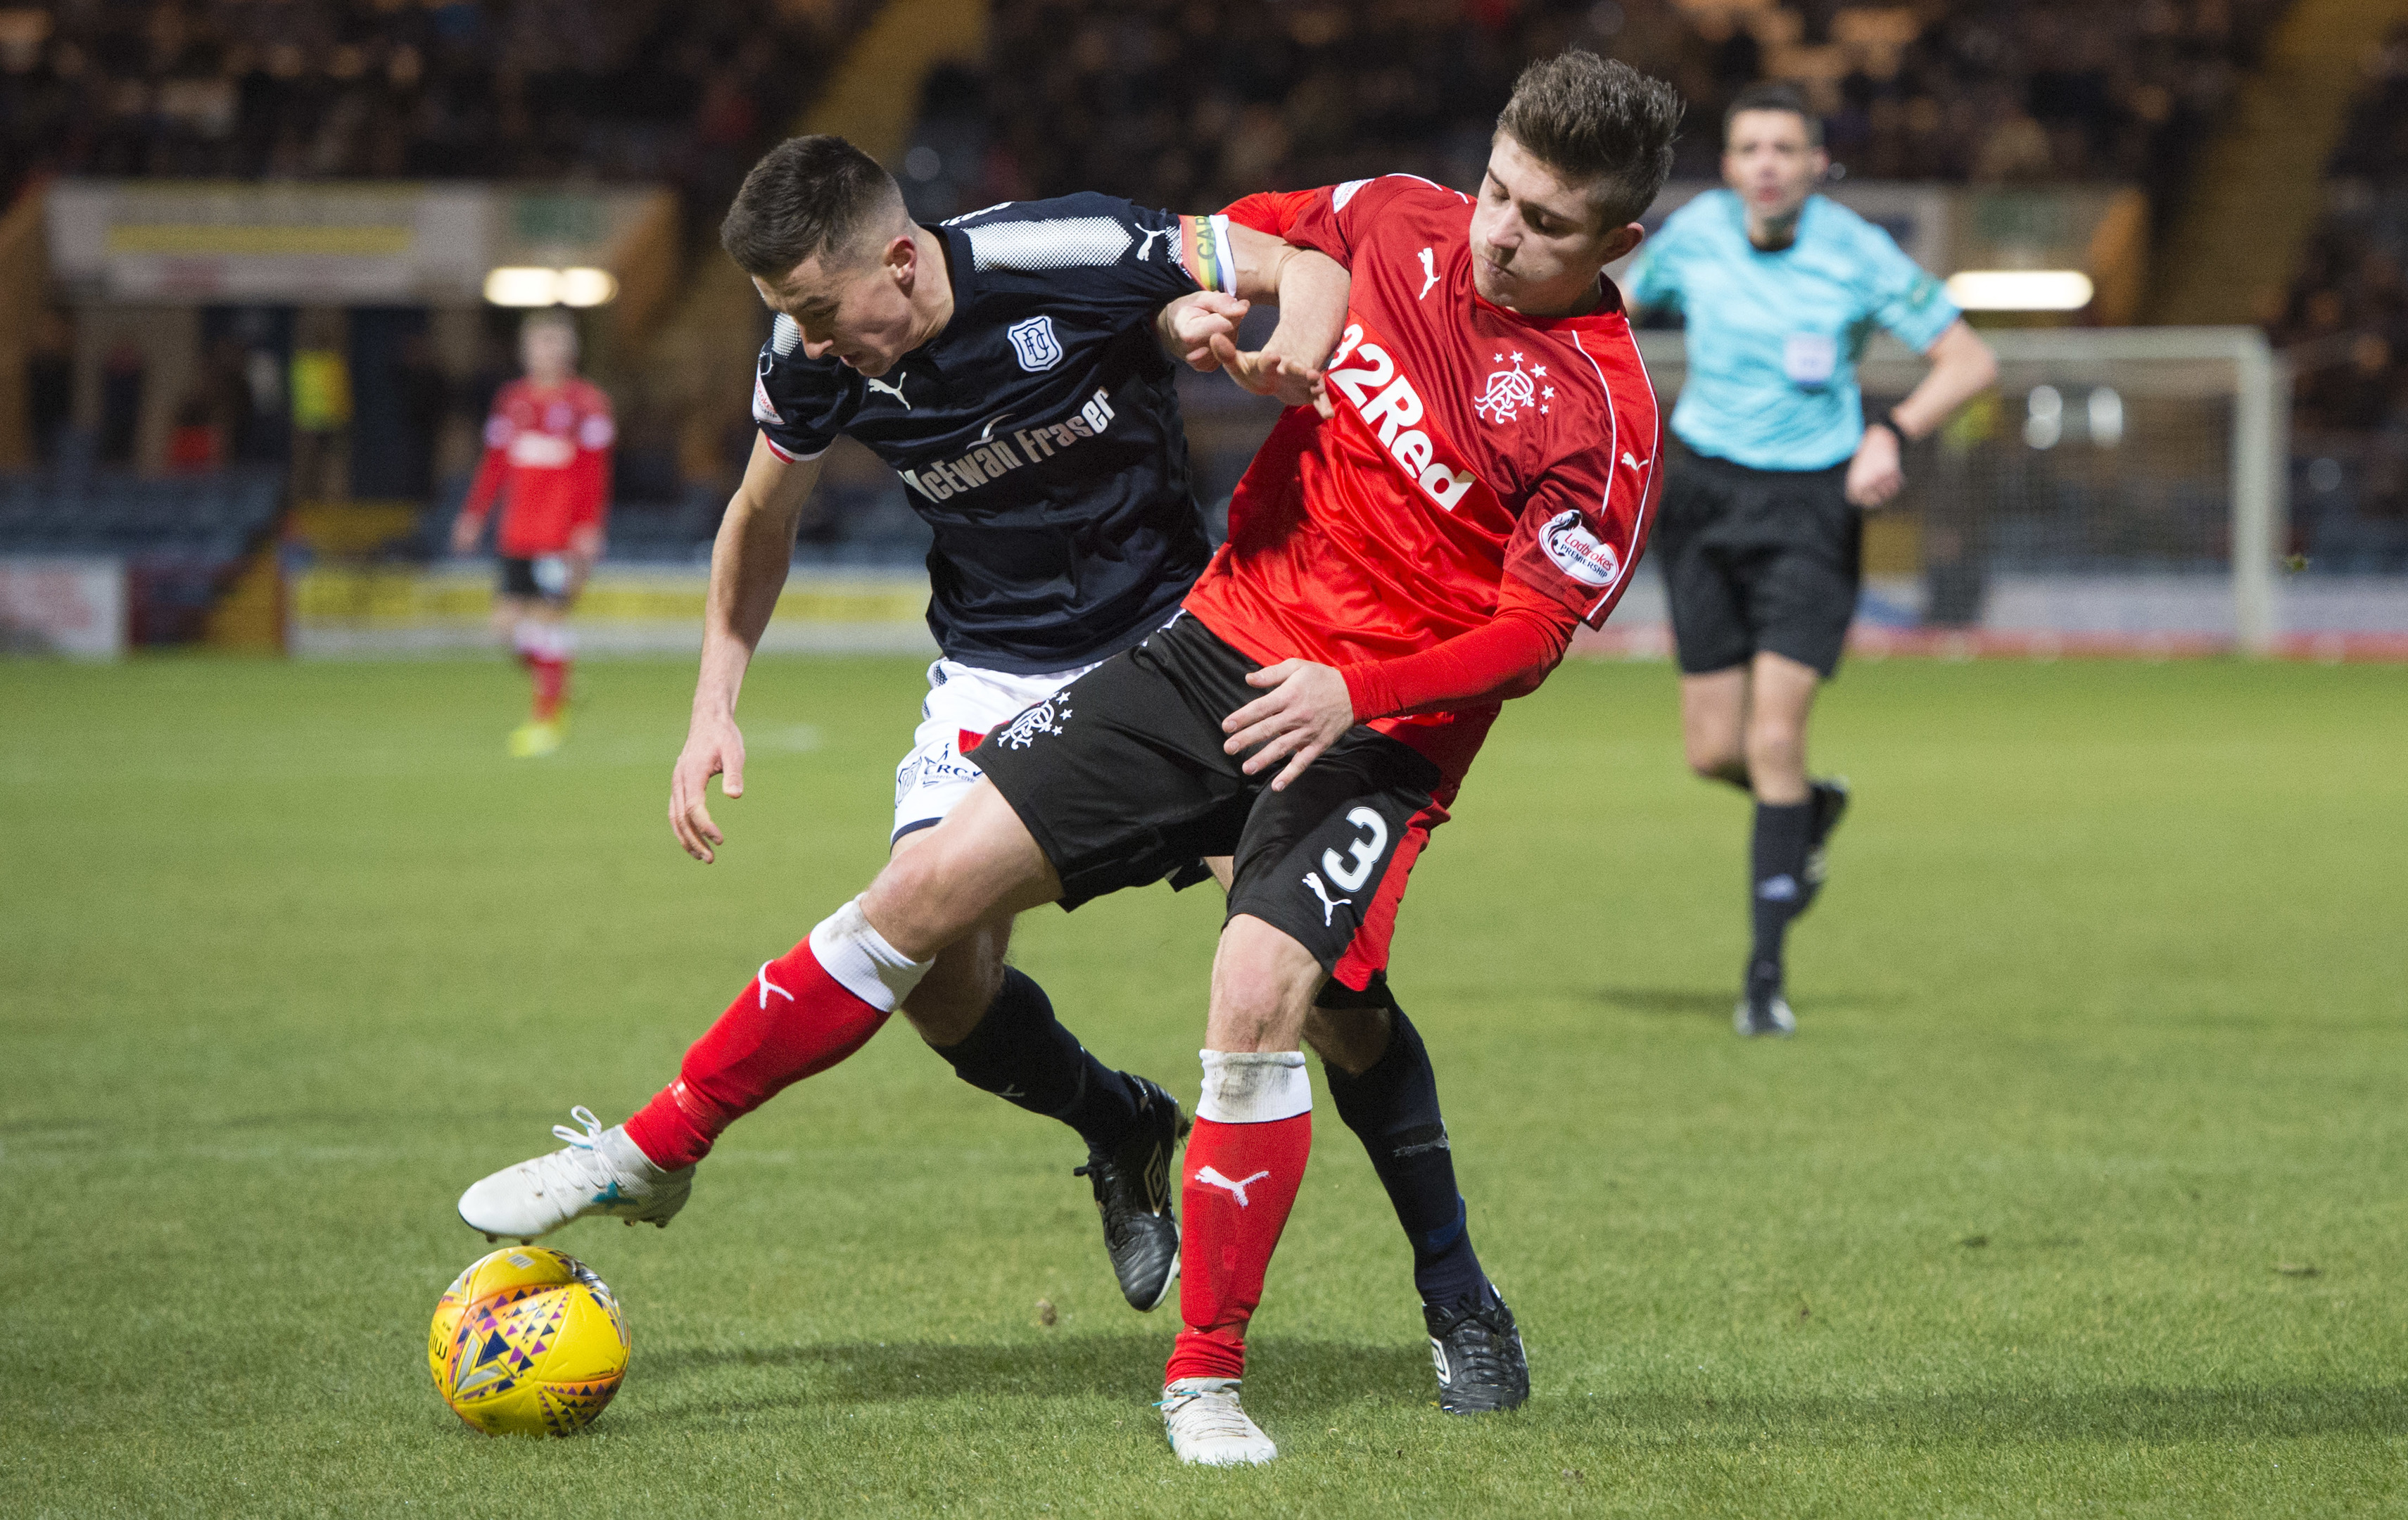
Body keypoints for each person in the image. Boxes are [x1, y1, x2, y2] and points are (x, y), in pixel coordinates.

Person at [460, 46, 1675, 1463]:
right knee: (921, 911)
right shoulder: (1403, 214)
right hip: (1206, 642)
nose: (1497, 233)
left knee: (1294, 993)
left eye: (1543, 222)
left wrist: (1358, 690)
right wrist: (1226, 322)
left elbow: (1529, 642)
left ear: (1619, 242)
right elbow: (1278, 240)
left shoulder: (1602, 420)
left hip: (1371, 724)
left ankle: (1373, 1319)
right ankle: (655, 1153)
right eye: (1496, 190)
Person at [1625, 82, 1997, 1037]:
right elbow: (1612, 303)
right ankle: (1808, 812)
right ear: (1729, 162)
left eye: (1784, 149)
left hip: (1809, 505)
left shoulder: (1856, 252)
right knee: (1715, 751)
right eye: (1748, 147)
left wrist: (1892, 435)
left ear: (1814, 164)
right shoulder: (1698, 231)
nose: (1764, 165)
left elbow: (1967, 362)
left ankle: (1761, 981)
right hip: (1702, 494)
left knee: (1775, 738)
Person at [449, 311, 616, 759]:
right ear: (526, 351)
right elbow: (495, 463)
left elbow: (594, 473)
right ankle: (556, 678)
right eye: (539, 344)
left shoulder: (587, 404)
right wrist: (473, 515)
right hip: (516, 532)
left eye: (555, 343)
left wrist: (588, 527)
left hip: (559, 535)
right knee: (505, 627)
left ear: (570, 351)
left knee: (549, 621)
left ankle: (546, 722)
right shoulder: (512, 400)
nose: (547, 352)